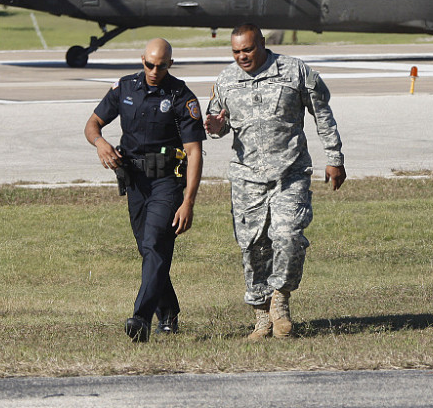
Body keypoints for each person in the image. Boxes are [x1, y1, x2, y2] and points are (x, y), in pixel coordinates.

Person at [205, 23, 346, 340]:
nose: (242, 56)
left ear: (262, 44)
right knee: (253, 247)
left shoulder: (295, 71)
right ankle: (261, 317)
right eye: (236, 51)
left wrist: (334, 158)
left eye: (248, 49)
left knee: (288, 236)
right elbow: (218, 124)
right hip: (247, 178)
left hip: (290, 173)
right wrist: (214, 126)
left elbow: (322, 113)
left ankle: (280, 301)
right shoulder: (226, 80)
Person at [84, 38, 205, 342]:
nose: (154, 70)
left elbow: (194, 153)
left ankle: (141, 317)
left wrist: (188, 201)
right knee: (149, 249)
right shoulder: (125, 88)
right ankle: (169, 313)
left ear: (170, 65)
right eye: (149, 64)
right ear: (142, 60)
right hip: (135, 181)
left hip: (167, 181)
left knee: (154, 244)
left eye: (161, 66)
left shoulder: (181, 97)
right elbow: (92, 124)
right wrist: (100, 143)